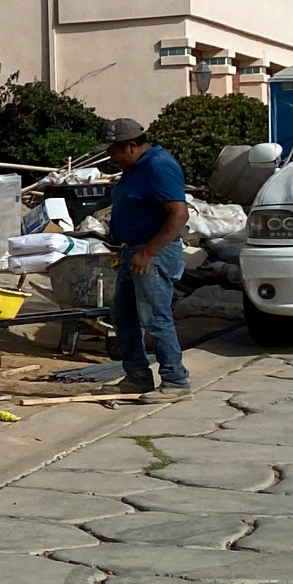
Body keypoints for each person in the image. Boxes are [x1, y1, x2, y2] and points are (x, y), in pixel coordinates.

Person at [102, 117, 189, 398]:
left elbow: (179, 214)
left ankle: (175, 381)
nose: (110, 157)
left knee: (155, 316)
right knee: (123, 315)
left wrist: (149, 252)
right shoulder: (134, 168)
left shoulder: (158, 166)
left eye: (112, 150)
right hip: (133, 250)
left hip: (153, 253)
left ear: (130, 146)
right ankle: (137, 375)